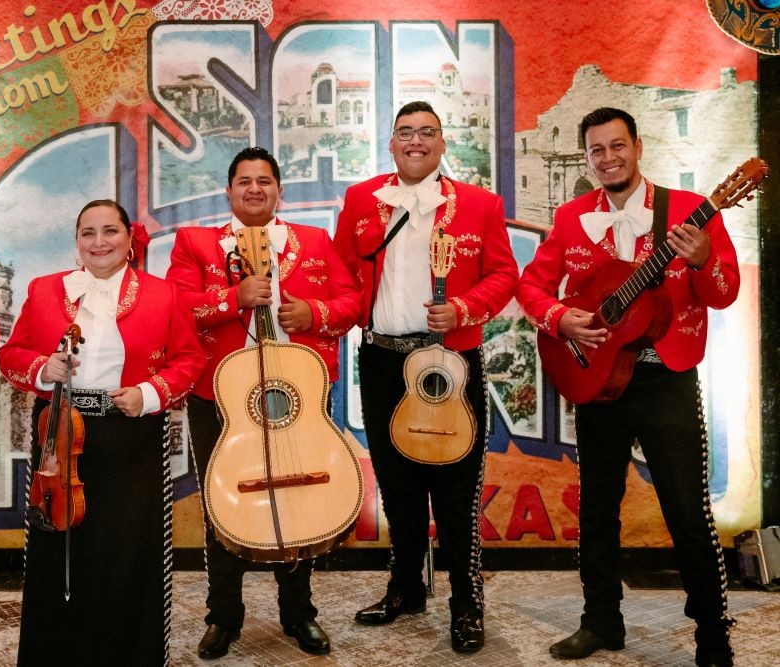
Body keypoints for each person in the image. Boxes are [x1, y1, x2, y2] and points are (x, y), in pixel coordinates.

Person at [516, 107, 738, 666]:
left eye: (618, 146)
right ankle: (601, 621)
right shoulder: (570, 219)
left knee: (688, 513)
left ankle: (713, 634)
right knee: (597, 509)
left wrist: (705, 257)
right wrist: (561, 319)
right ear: (588, 158)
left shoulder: (689, 213)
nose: (608, 158)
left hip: (667, 378)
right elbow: (531, 288)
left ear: (638, 147)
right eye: (597, 150)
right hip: (598, 382)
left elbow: (724, 292)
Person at [333, 101, 518, 654]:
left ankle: (466, 602)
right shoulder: (362, 199)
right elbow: (344, 272)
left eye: (427, 133)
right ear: (390, 143)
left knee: (458, 493)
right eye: (404, 133)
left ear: (443, 144)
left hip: (450, 360)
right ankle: (405, 588)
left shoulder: (480, 205)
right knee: (397, 484)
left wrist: (463, 308)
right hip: (383, 359)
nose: (415, 141)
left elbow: (505, 274)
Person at [166, 146, 360, 659]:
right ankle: (223, 616)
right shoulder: (195, 242)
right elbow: (176, 307)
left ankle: (299, 614)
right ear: (229, 191)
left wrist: (312, 313)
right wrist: (235, 298)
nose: (254, 189)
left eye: (264, 181)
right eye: (244, 181)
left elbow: (351, 302)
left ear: (279, 191)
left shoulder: (315, 241)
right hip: (222, 398)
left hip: (297, 395)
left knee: (299, 497)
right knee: (223, 502)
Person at [0, 199, 204, 666]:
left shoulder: (163, 293)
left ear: (129, 240)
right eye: (87, 233)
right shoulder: (45, 289)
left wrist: (150, 394)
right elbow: (10, 355)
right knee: (59, 550)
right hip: (60, 434)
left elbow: (189, 360)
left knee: (127, 551)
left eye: (110, 231)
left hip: (130, 435)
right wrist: (43, 368)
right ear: (76, 242)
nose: (99, 242)